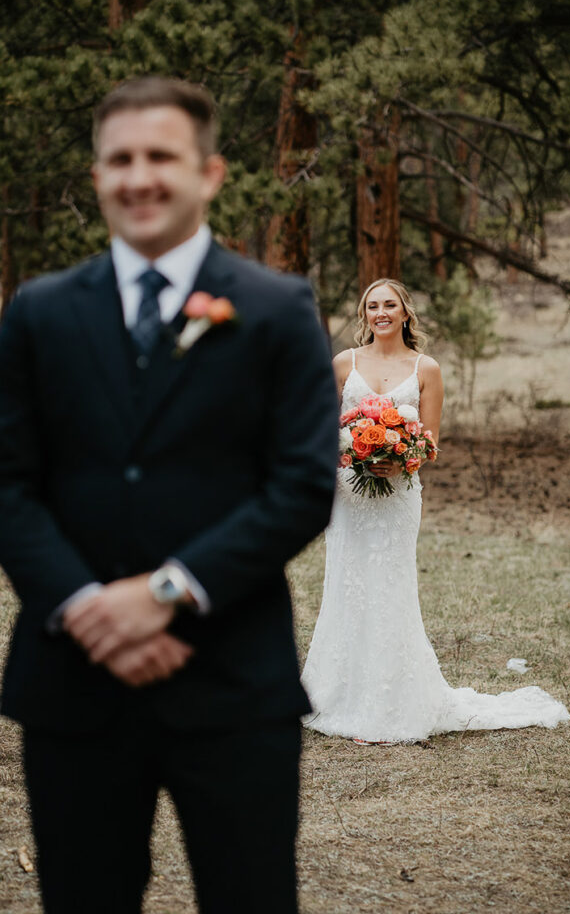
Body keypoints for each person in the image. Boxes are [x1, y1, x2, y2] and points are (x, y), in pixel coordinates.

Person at [0, 76, 339, 914]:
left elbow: (301, 484)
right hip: (73, 683)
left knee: (251, 896)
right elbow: (7, 482)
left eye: (161, 156)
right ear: (96, 179)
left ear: (210, 173)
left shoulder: (275, 308)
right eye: (119, 159)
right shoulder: (38, 311)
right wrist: (88, 608)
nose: (139, 177)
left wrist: (161, 595)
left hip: (229, 676)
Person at [301, 278, 570, 744]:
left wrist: (398, 456)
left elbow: (429, 445)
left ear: (406, 312)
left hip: (399, 494)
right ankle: (337, 694)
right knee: (347, 583)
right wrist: (354, 454)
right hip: (349, 494)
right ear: (364, 315)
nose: (380, 312)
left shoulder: (427, 369)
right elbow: (321, 430)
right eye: (371, 306)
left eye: (389, 305)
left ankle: (391, 702)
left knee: (390, 586)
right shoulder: (344, 363)